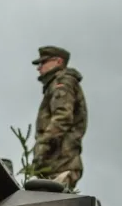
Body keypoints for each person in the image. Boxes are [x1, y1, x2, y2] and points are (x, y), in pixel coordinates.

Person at [32, 45, 88, 190]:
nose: (39, 68)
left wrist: (42, 145)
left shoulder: (62, 82)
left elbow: (62, 117)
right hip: (56, 162)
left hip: (61, 161)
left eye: (43, 62)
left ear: (58, 61)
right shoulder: (58, 83)